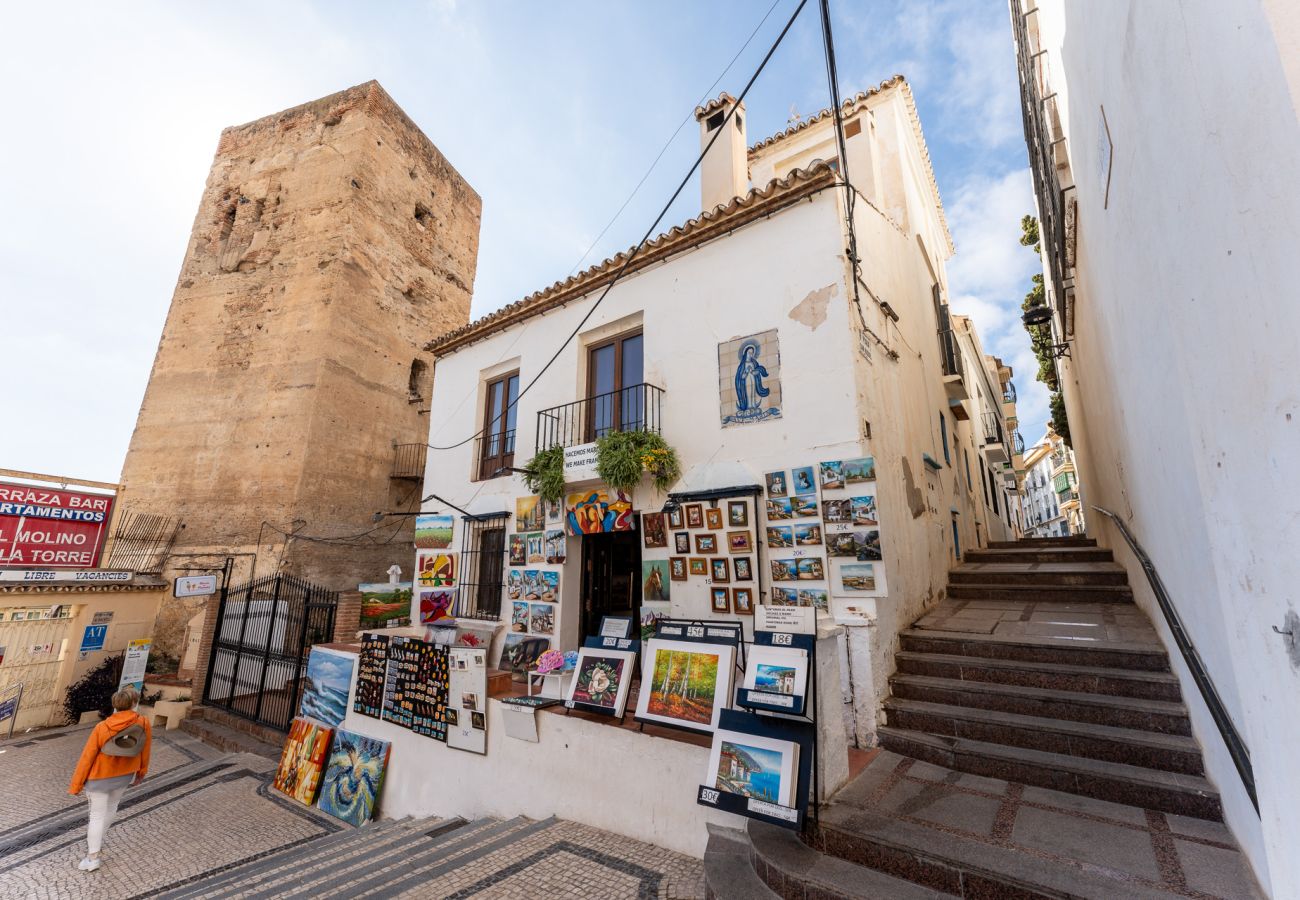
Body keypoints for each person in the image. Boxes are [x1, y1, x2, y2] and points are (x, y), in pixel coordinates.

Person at [68, 687, 152, 872]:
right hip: (124, 776)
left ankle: (93, 857)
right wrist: (141, 773)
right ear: (133, 704)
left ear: (115, 705)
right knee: (111, 809)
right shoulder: (143, 722)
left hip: (99, 777)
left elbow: (87, 757)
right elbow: (145, 749)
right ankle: (96, 844)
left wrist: (76, 785)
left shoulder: (102, 727)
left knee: (96, 816)